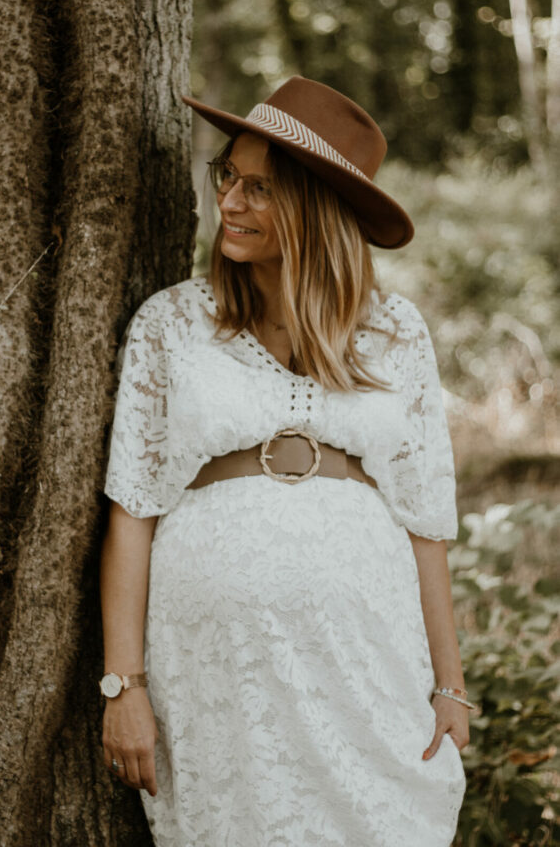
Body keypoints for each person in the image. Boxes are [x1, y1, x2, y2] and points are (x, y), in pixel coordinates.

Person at [99, 76, 471, 847]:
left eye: (259, 189)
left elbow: (425, 518)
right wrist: (122, 683)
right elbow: (131, 509)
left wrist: (449, 685)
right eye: (227, 177)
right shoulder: (171, 321)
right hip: (215, 660)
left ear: (314, 208)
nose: (229, 202)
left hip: (366, 652)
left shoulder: (394, 331)